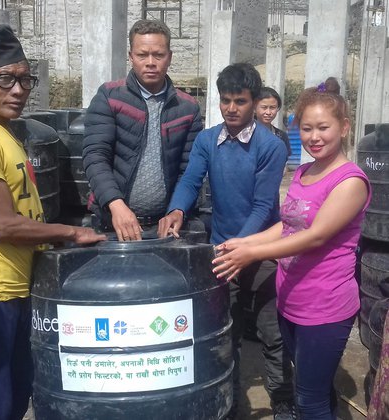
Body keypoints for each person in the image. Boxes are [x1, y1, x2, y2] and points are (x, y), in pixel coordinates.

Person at [0, 25, 106, 420]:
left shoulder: (5, 134)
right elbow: (3, 225)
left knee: (16, 394)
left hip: (16, 287)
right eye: (5, 79)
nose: (17, 90)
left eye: (24, 80)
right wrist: (71, 232)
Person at [213, 77, 371, 420]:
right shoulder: (304, 172)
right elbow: (288, 224)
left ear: (344, 127)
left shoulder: (350, 181)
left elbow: (314, 236)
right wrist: (245, 241)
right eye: (307, 128)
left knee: (309, 400)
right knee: (316, 388)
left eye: (324, 128)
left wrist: (252, 255)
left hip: (325, 305)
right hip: (292, 299)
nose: (315, 137)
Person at [158, 63, 296, 419]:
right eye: (225, 101)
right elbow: (191, 181)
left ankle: (281, 396)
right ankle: (230, 395)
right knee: (226, 329)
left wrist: (242, 248)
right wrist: (176, 209)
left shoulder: (270, 145)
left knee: (271, 329)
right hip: (223, 249)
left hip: (263, 248)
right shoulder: (208, 140)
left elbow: (265, 206)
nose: (231, 108)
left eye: (240, 101)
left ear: (254, 103)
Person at [82, 19, 203, 241]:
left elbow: (189, 169)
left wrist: (178, 209)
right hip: (113, 222)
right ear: (130, 56)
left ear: (170, 57)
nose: (150, 62)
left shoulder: (187, 108)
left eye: (158, 55)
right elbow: (95, 156)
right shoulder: (109, 97)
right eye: (142, 55)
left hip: (164, 226)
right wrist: (115, 205)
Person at [255, 86, 292, 156]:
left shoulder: (282, 136)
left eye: (272, 107)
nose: (268, 112)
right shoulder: (245, 135)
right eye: (264, 107)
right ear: (254, 107)